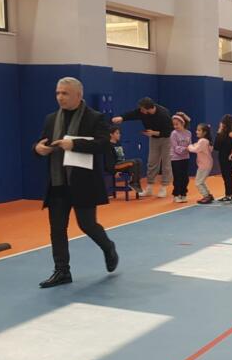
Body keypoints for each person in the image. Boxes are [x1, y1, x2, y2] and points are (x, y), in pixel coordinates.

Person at [34, 77, 118, 288]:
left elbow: (103, 145)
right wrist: (38, 149)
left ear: (78, 95)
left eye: (65, 93)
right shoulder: (51, 119)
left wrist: (74, 144)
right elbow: (43, 142)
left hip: (83, 183)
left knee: (87, 224)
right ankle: (62, 271)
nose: (60, 97)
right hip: (57, 182)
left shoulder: (95, 118)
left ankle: (108, 246)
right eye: (58, 93)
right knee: (57, 229)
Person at [111, 97, 173, 198]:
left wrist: (153, 132)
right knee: (152, 162)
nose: (140, 110)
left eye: (142, 108)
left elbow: (169, 131)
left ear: (148, 108)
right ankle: (149, 188)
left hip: (166, 139)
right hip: (153, 139)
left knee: (166, 163)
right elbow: (132, 114)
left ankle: (163, 187)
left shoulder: (163, 114)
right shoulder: (142, 112)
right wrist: (122, 118)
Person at [108, 127, 145, 195]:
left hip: (122, 164)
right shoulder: (108, 146)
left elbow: (122, 157)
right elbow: (109, 161)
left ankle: (135, 183)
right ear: (111, 134)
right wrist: (114, 172)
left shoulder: (118, 144)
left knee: (139, 161)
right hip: (116, 166)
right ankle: (134, 183)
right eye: (117, 133)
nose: (119, 135)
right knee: (132, 162)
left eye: (119, 133)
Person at [187, 123, 215, 205]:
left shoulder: (203, 141)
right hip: (206, 164)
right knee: (201, 181)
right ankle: (208, 195)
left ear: (204, 132)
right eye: (197, 130)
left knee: (198, 182)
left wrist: (189, 146)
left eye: (199, 130)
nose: (196, 132)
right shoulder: (206, 141)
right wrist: (193, 145)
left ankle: (206, 196)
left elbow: (196, 149)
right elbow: (198, 146)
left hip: (204, 165)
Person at [169, 112, 192, 203]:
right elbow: (175, 148)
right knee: (177, 177)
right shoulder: (173, 134)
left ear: (183, 123)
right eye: (174, 124)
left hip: (185, 158)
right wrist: (186, 149)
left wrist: (191, 148)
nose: (175, 126)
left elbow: (190, 144)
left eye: (177, 124)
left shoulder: (188, 133)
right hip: (175, 159)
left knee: (185, 178)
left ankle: (183, 194)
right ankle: (176, 195)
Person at [214, 114, 232, 202]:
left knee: (226, 176)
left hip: (224, 157)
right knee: (229, 175)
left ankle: (228, 195)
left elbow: (216, 147)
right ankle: (231, 194)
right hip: (231, 157)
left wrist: (219, 132)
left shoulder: (222, 134)